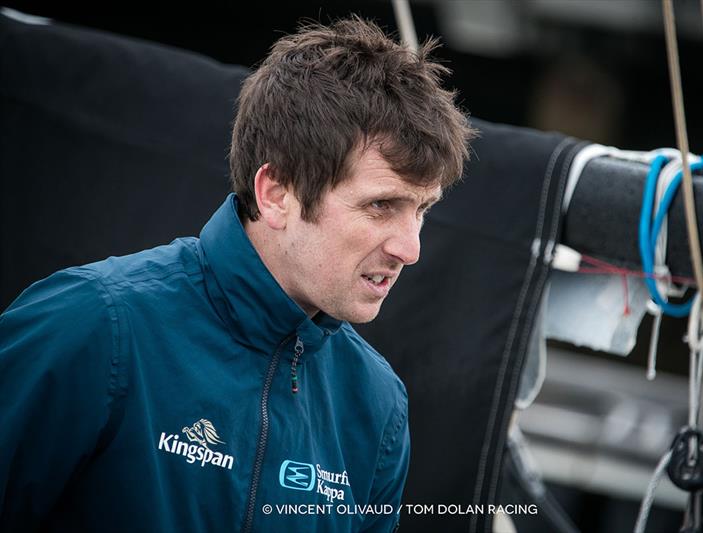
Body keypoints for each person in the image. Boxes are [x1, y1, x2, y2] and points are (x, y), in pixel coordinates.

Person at [0, 16, 475, 532]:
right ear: (276, 194)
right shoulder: (93, 323)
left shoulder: (378, 404)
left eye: (422, 209)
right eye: (381, 205)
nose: (411, 248)